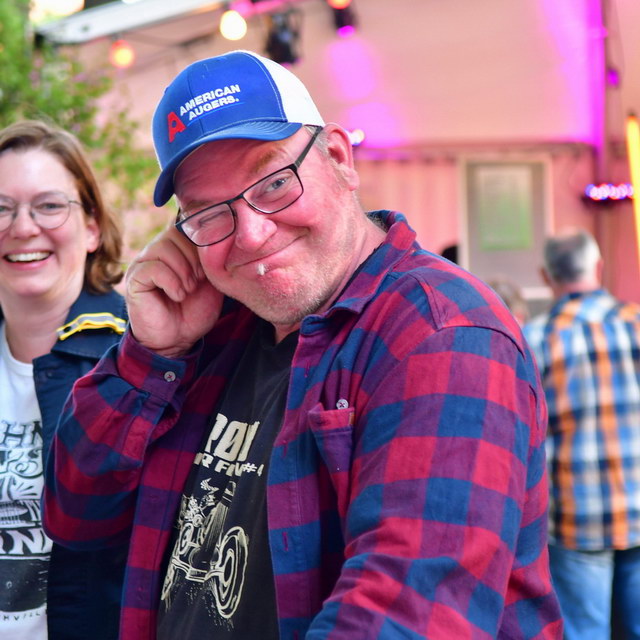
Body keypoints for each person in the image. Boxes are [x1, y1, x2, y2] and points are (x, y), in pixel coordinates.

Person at [42, 51, 562, 639]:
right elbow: (76, 514)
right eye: (208, 214)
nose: (251, 234)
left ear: (338, 157)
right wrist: (150, 353)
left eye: (273, 183)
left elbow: (403, 617)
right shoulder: (214, 330)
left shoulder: (440, 333)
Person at [0, 120, 128, 639]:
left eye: (49, 205)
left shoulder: (143, 355)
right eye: (1, 208)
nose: (22, 227)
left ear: (92, 227)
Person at [524, 228, 640, 640]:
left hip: (576, 513)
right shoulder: (637, 324)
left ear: (546, 275)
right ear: (599, 267)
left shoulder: (535, 338)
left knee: (585, 632)